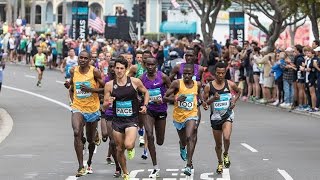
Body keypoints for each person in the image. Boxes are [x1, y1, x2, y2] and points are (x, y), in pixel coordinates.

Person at [102, 57, 150, 180]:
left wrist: (145, 105)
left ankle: (131, 148)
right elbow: (104, 106)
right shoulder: (109, 85)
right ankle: (125, 172)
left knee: (128, 145)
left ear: (126, 69)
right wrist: (108, 102)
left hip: (131, 119)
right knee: (119, 148)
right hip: (117, 120)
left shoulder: (134, 81)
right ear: (113, 68)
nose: (119, 70)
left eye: (121, 68)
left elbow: (146, 92)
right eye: (117, 68)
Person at [68, 50, 104, 177]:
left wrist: (90, 89)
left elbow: (105, 88)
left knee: (90, 140)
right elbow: (72, 86)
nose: (82, 60)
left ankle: (89, 160)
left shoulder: (95, 72)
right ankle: (80, 166)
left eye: (85, 58)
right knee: (77, 132)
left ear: (89, 60)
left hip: (92, 109)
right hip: (78, 107)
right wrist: (69, 87)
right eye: (80, 58)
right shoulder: (73, 71)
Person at [164, 63, 203, 176]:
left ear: (193, 74)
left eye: (189, 74)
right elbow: (165, 97)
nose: (186, 76)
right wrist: (176, 98)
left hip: (191, 114)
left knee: (190, 136)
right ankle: (182, 146)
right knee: (184, 140)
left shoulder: (198, 84)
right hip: (178, 116)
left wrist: (203, 102)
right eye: (184, 73)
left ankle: (189, 164)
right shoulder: (177, 83)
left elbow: (198, 95)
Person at [202, 62, 240, 174]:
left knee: (227, 138)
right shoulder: (209, 86)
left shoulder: (230, 84)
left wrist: (233, 100)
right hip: (215, 118)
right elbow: (205, 105)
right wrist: (213, 99)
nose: (220, 75)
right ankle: (219, 162)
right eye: (218, 73)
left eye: (222, 73)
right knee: (218, 144)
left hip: (227, 116)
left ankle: (226, 154)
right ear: (215, 73)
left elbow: (238, 92)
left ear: (225, 73)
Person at [141, 57, 171, 178]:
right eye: (147, 65)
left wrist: (164, 98)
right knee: (149, 135)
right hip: (148, 111)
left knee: (160, 141)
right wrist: (142, 101)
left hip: (161, 111)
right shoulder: (142, 78)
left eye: (152, 65)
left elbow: (172, 90)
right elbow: (137, 93)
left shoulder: (163, 77)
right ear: (145, 65)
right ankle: (155, 167)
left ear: (156, 65)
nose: (150, 67)